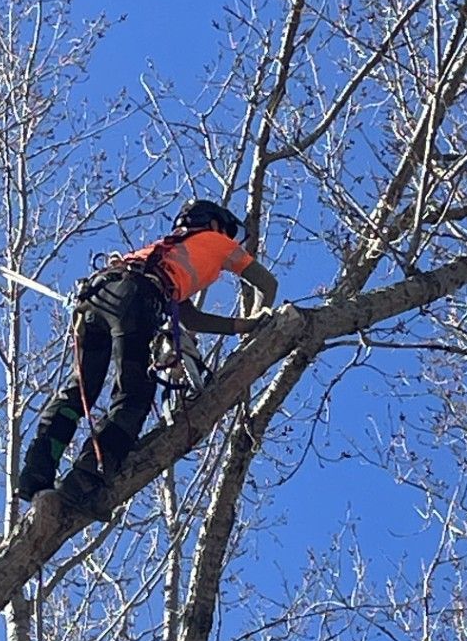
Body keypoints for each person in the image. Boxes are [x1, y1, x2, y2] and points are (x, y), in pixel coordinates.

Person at [16, 198, 279, 504]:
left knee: (79, 392)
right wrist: (261, 317)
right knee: (134, 396)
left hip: (98, 294)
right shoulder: (217, 242)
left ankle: (35, 472)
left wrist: (242, 327)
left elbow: (191, 317)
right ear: (215, 223)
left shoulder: (167, 252)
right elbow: (267, 283)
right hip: (138, 299)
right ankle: (86, 481)